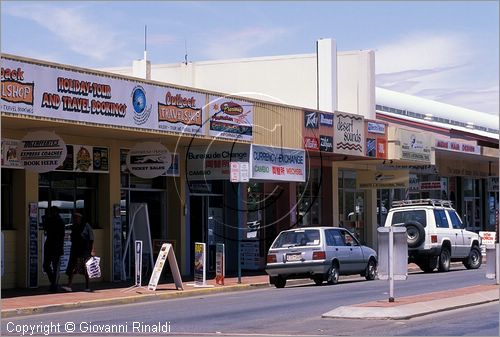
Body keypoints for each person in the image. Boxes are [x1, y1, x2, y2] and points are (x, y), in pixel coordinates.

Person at [62, 211, 94, 292]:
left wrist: (92, 250)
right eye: (74, 218)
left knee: (86, 268)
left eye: (77, 218)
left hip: (84, 251)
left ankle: (87, 286)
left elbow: (91, 239)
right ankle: (69, 285)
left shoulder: (87, 226)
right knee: (72, 267)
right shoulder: (74, 226)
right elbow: (72, 237)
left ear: (80, 218)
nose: (75, 219)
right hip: (75, 249)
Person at [43, 206, 66, 292]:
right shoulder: (56, 221)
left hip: (54, 246)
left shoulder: (58, 221)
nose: (51, 213)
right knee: (49, 266)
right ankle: (53, 283)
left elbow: (60, 235)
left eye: (52, 211)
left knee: (51, 266)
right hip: (53, 246)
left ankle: (54, 284)